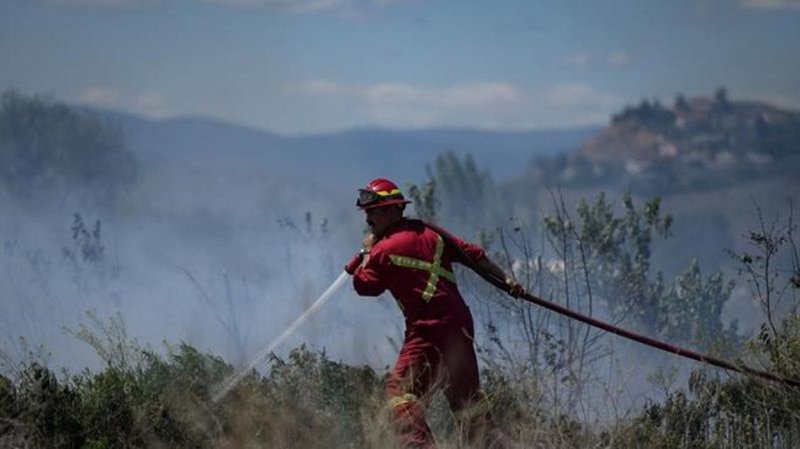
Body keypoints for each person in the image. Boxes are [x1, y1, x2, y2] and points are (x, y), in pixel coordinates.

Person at [345, 178, 524, 449]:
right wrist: (507, 279)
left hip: (428, 330)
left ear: (394, 210)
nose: (368, 219)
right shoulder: (432, 234)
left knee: (400, 395)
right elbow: (474, 255)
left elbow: (363, 285)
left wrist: (367, 251)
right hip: (460, 327)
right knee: (468, 407)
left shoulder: (383, 250)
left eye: (374, 211)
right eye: (367, 212)